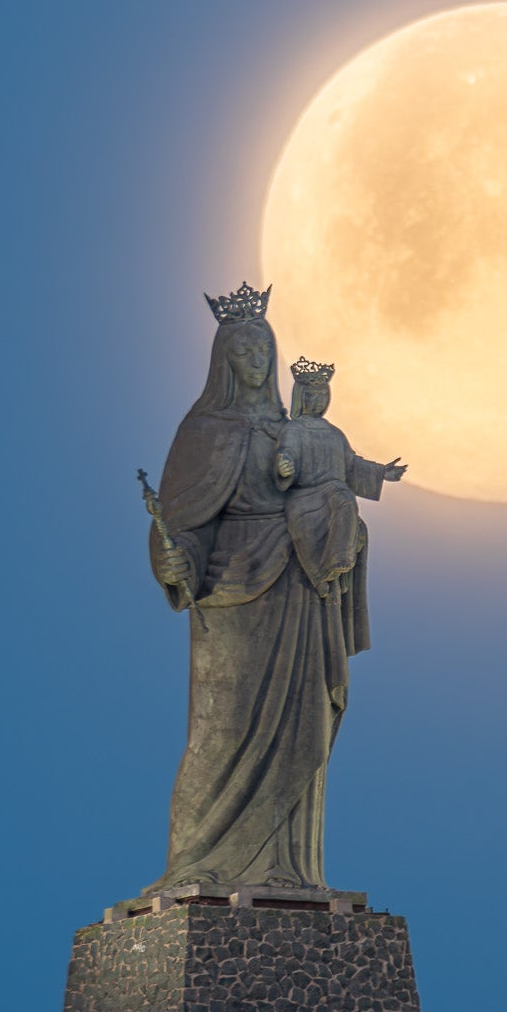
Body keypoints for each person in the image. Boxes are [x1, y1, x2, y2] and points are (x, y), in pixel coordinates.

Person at [144, 284, 405, 890]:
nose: (257, 361)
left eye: (264, 349)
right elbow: (183, 521)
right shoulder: (205, 430)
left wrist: (345, 526)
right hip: (233, 593)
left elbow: (336, 481)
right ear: (224, 361)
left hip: (300, 586)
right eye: (244, 350)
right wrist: (174, 556)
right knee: (222, 733)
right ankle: (194, 867)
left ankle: (289, 871)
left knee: (301, 722)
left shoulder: (303, 431)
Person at [276, 355, 406, 598]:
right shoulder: (293, 430)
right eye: (312, 395)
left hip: (332, 490)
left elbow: (351, 463)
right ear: (301, 398)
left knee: (344, 499)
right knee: (302, 526)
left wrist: (381, 473)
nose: (318, 401)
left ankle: (338, 559)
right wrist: (285, 467)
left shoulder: (335, 434)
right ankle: (319, 576)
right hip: (303, 495)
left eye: (323, 395)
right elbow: (287, 454)